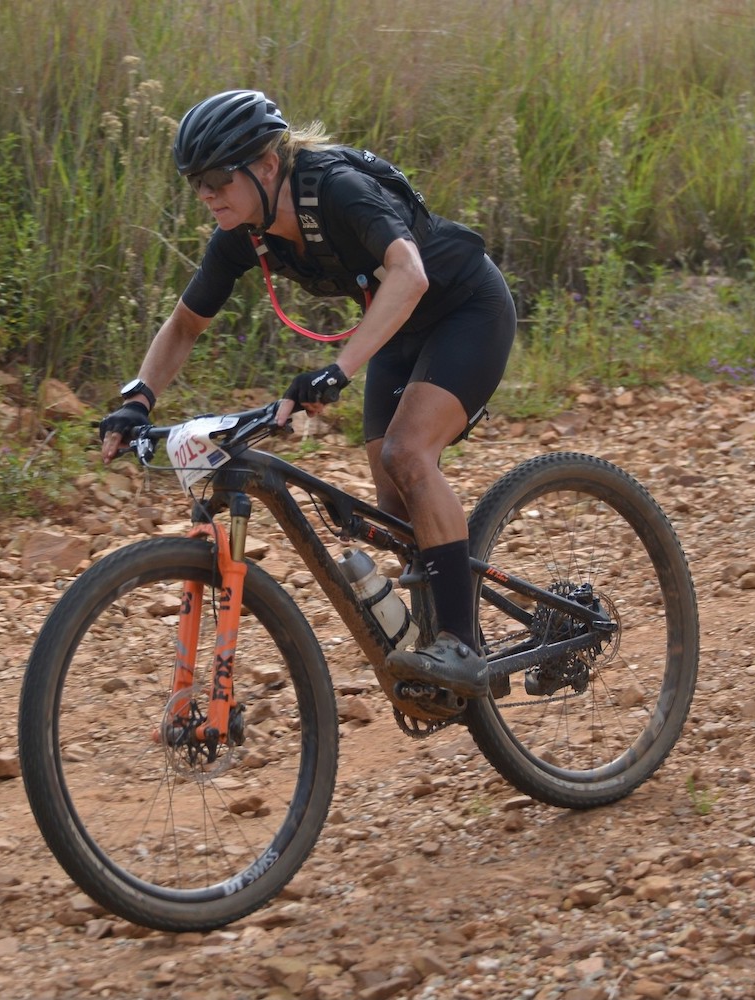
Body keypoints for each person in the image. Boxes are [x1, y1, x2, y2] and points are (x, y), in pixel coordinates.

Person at [98, 89, 516, 699]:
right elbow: (186, 324)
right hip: (398, 328)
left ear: (268, 165)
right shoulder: (244, 232)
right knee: (391, 510)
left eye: (218, 178)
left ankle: (462, 646)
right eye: (196, 183)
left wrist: (338, 371)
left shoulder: (338, 189)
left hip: (466, 309)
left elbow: (410, 273)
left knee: (407, 454)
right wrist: (138, 398)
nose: (207, 194)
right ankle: (438, 654)